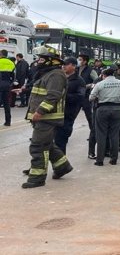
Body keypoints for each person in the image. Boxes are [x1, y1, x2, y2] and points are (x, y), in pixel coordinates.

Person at [22, 46, 73, 188]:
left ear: (52, 61)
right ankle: (62, 166)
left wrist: (39, 112)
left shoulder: (56, 75)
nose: (38, 61)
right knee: (48, 144)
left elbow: (53, 96)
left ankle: (37, 178)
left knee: (38, 146)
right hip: (44, 117)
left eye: (41, 58)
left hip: (47, 117)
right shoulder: (47, 73)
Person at [89, 67, 120, 166]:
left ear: (103, 75)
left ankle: (100, 160)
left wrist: (99, 96)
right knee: (114, 134)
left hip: (102, 109)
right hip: (117, 109)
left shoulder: (99, 84)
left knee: (101, 135)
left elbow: (91, 98)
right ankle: (114, 159)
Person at [53, 58, 85, 153]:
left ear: (74, 66)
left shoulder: (79, 81)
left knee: (60, 144)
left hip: (67, 116)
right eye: (63, 64)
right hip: (55, 115)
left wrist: (64, 96)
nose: (64, 66)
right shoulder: (60, 77)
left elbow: (80, 97)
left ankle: (62, 167)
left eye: (67, 64)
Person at [77, 53, 96, 133]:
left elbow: (97, 81)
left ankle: (93, 133)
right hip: (76, 96)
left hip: (86, 97)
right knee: (70, 116)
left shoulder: (91, 70)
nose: (78, 61)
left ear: (85, 61)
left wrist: (88, 86)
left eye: (80, 59)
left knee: (89, 117)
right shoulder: (76, 69)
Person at [0, 49, 14, 125]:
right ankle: (8, 122)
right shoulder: (11, 63)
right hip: (7, 86)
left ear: (1, 54)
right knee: (6, 104)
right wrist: (10, 84)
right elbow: (14, 76)